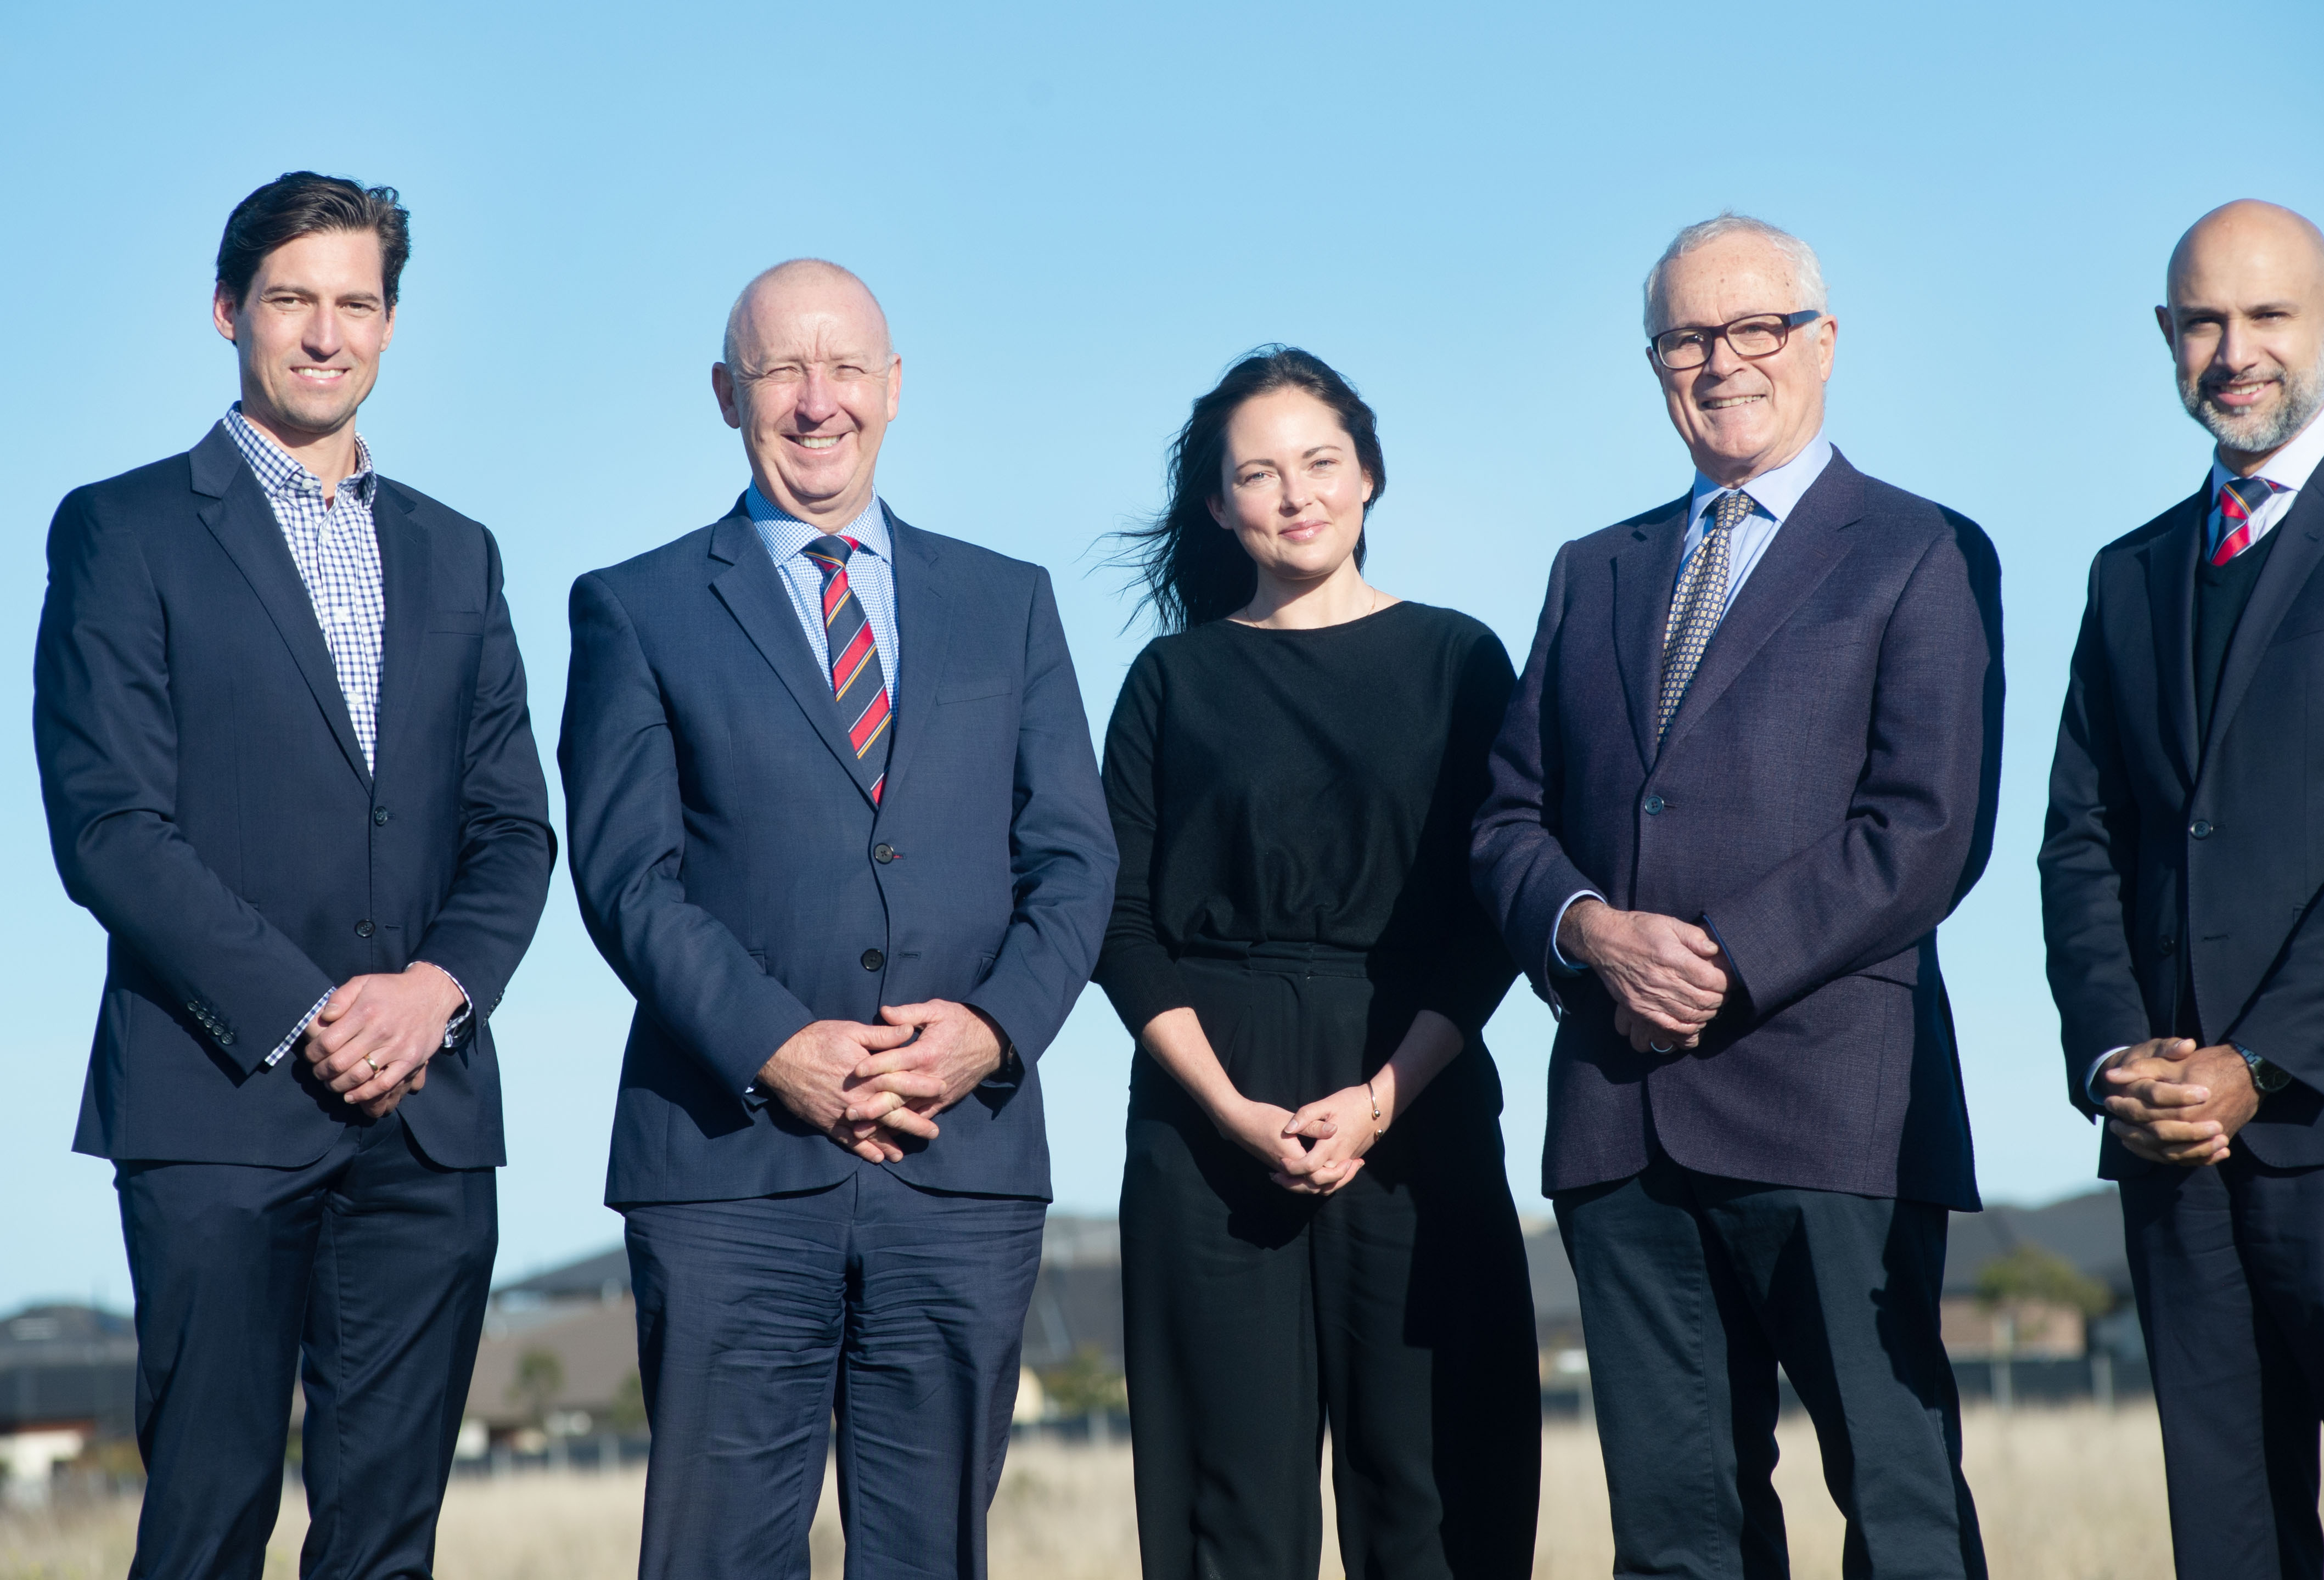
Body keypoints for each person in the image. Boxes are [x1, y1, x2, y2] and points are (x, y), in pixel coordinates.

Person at [558, 258, 1117, 1580]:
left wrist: (990, 1032)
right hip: (728, 1164)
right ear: (724, 395)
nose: (817, 403)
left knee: (930, 1555)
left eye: (846, 369)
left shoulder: (1009, 601)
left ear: (894, 387)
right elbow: (628, 879)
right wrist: (779, 1048)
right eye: (780, 374)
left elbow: (1074, 862)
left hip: (959, 1162)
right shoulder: (633, 608)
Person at [32, 171, 554, 1577]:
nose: (325, 332)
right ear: (228, 312)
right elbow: (107, 827)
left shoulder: (459, 552)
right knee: (205, 1527)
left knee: (387, 1542)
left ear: (389, 326)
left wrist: (431, 994)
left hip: (427, 1123)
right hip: (218, 1107)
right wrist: (317, 1011)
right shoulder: (121, 531)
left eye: (356, 302)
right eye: (292, 299)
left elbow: (514, 828)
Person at [1471, 214, 2003, 1578]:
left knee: (1897, 1510)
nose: (1720, 361)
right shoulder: (1590, 569)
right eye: (1684, 337)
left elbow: (1923, 829)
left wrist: (1713, 959)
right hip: (1618, 1123)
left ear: (1821, 342)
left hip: (1833, 1113)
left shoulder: (1920, 549)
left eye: (1753, 327)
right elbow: (1507, 821)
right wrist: (1588, 934)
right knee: (1675, 1534)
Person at [2040, 200, 2324, 1580]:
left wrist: (2259, 1060)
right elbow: (2080, 839)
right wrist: (2119, 1058)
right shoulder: (2125, 574)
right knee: (2227, 1541)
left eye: (2264, 317)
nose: (2231, 350)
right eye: (2201, 320)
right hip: (2168, 1134)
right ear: (2163, 338)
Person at [1097, 347, 1541, 1580]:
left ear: (1369, 476)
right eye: (1257, 473)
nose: (1294, 494)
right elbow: (1116, 924)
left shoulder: (1460, 661)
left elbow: (1488, 911)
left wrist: (1386, 1098)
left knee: (1437, 1500)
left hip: (1418, 1093)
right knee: (1230, 1517)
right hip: (1205, 1119)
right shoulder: (1169, 681)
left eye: (1319, 462)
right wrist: (1229, 1111)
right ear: (1217, 506)